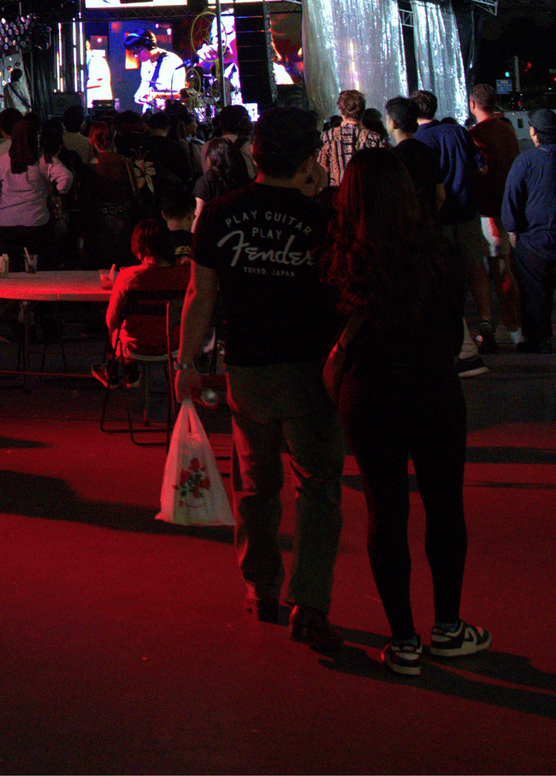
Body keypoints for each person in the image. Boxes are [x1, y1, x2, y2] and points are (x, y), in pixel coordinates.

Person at [178, 106, 348, 655]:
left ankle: (261, 587)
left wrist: (186, 363)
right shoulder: (323, 217)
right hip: (312, 368)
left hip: (247, 368)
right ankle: (310, 603)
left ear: (255, 152)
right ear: (309, 158)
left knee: (255, 485)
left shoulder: (220, 213)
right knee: (317, 488)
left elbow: (200, 295)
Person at [325, 148, 492, 676]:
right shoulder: (435, 252)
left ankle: (402, 640)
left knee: (385, 509)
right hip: (432, 390)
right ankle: (448, 626)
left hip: (367, 393)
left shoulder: (338, 257)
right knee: (444, 505)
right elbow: (450, 332)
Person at [412, 89, 494, 367]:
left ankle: (461, 336)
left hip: (440, 217)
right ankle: (486, 319)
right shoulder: (457, 131)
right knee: (476, 268)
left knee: (446, 277)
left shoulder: (418, 140)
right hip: (467, 211)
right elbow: (481, 168)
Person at [101, 217, 190, 387]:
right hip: (176, 346)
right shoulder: (186, 276)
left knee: (115, 330)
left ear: (138, 247)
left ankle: (118, 373)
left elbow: (111, 322)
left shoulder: (127, 277)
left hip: (133, 348)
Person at [467, 84, 524, 348]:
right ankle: (515, 326)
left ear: (473, 104)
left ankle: (508, 327)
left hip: (488, 210)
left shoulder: (475, 135)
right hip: (511, 208)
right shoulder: (507, 131)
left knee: (497, 270)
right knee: (507, 268)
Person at [500, 109, 556, 353]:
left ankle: (538, 339)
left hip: (534, 241)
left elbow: (512, 199)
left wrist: (513, 229)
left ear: (534, 132)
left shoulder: (526, 160)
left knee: (534, 293)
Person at [0, 116, 71, 274]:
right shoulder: (43, 160)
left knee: (11, 270)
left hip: (7, 222)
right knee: (38, 270)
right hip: (37, 221)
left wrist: (4, 202)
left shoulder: (2, 161)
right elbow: (66, 177)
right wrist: (55, 190)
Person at [318, 89, 389, 186]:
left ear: (341, 111)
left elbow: (322, 167)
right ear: (363, 111)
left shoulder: (328, 136)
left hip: (338, 192)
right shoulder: (375, 138)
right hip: (367, 192)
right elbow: (384, 171)